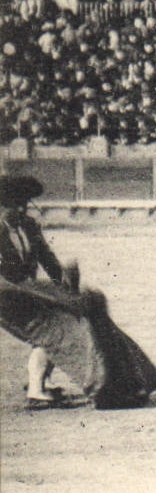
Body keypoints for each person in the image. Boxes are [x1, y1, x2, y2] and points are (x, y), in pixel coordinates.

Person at [0, 175, 69, 408]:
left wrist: (62, 284)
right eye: (13, 204)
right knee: (50, 331)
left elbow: (47, 259)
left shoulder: (29, 226)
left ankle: (42, 383)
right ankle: (37, 390)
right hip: (6, 296)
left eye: (24, 203)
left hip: (26, 292)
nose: (20, 208)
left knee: (55, 327)